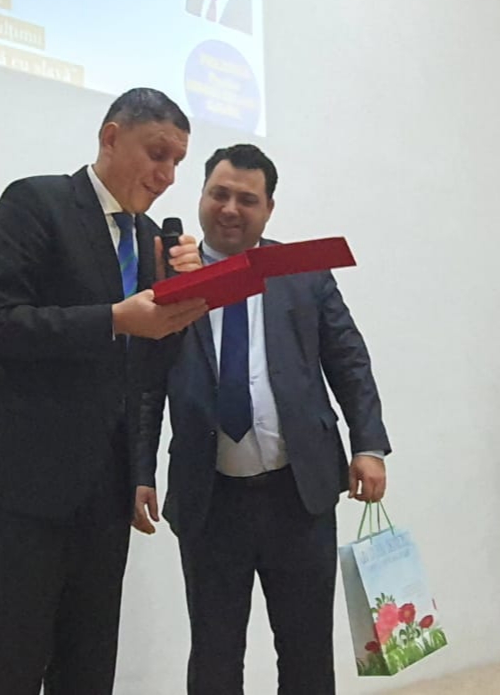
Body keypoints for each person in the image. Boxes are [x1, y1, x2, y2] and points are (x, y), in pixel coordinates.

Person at [0, 87, 208, 695]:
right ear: (111, 137)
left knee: (89, 664)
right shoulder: (37, 201)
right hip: (22, 477)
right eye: (156, 153)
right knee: (14, 658)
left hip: (104, 485)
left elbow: (147, 370)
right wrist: (113, 318)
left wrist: (187, 302)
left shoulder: (150, 240)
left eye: (177, 162)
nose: (167, 175)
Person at [133, 144, 391, 695]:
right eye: (219, 194)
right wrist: (140, 471)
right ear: (202, 196)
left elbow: (349, 360)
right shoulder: (166, 279)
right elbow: (146, 384)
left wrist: (368, 445)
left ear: (269, 208)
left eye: (247, 200)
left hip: (299, 495)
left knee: (306, 652)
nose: (230, 209)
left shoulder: (301, 272)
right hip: (210, 499)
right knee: (214, 653)